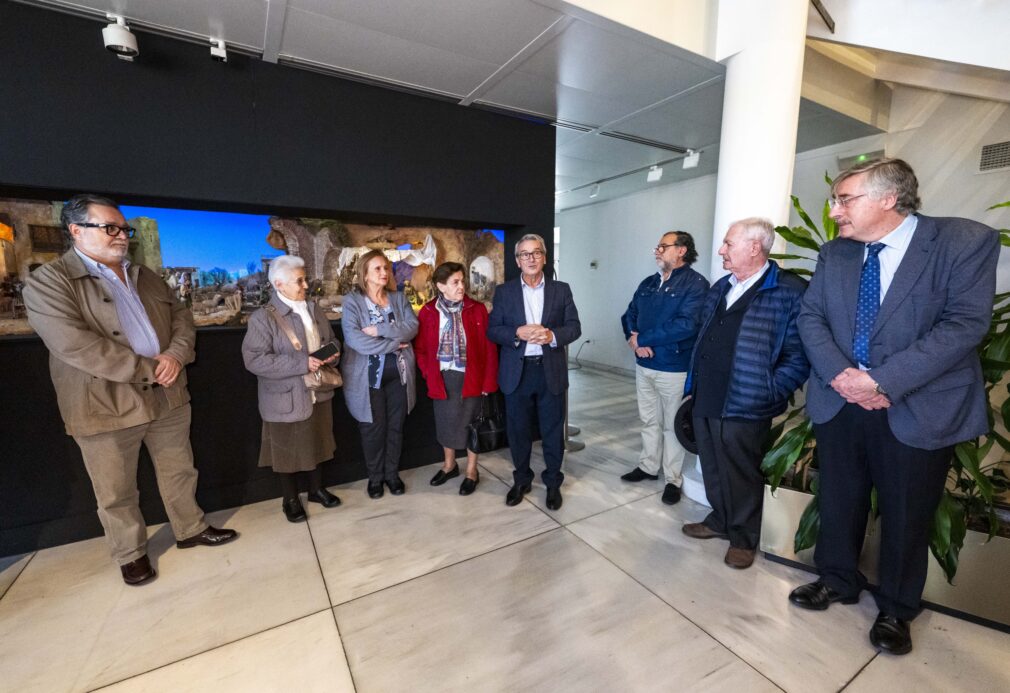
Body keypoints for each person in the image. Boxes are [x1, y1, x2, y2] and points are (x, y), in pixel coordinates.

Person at [789, 158, 999, 655]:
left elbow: (963, 325)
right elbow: (811, 316)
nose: (834, 210)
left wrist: (881, 380)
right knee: (839, 496)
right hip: (841, 400)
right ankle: (837, 578)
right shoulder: (836, 254)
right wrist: (845, 377)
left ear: (888, 198)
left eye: (845, 199)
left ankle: (896, 607)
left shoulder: (963, 242)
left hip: (917, 403)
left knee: (908, 510)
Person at [22, 194, 237, 586]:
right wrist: (151, 369)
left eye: (124, 228)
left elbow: (182, 318)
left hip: (168, 394)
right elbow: (76, 345)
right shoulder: (48, 282)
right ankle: (131, 554)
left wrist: (174, 354)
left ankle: (190, 529)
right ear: (76, 230)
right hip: (104, 403)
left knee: (179, 470)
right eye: (110, 227)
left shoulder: (146, 275)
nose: (122, 235)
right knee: (115, 488)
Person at [682, 218, 808, 569]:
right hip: (707, 393)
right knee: (711, 463)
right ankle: (720, 519)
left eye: (728, 244)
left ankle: (743, 537)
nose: (721, 250)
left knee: (741, 469)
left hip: (748, 398)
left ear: (755, 247)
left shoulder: (789, 290)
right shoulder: (722, 286)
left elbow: (799, 354)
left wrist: (772, 388)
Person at [242, 254, 342, 522]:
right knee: (286, 450)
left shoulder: (313, 309)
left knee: (319, 442)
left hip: (317, 391)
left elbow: (332, 340)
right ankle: (289, 499)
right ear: (279, 283)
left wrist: (333, 354)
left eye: (305, 279)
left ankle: (316, 490)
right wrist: (302, 363)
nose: (306, 285)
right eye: (300, 280)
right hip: (285, 397)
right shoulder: (263, 319)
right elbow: (254, 360)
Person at [487, 233, 581, 510]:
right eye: (525, 254)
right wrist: (517, 332)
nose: (531, 258)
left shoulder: (561, 289)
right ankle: (522, 480)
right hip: (517, 373)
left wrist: (552, 335)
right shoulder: (504, 292)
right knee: (518, 432)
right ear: (518, 260)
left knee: (553, 432)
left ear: (544, 257)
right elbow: (493, 330)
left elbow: (574, 327)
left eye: (536, 253)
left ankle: (553, 483)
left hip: (549, 371)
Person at [620, 231, 709, 504]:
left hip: (673, 368)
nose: (657, 251)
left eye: (663, 246)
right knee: (649, 420)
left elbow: (686, 325)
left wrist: (644, 339)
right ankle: (648, 466)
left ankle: (673, 478)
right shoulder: (649, 283)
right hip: (643, 364)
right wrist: (633, 341)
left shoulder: (696, 285)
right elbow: (629, 314)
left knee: (672, 426)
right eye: (657, 246)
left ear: (681, 250)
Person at [414, 262, 499, 495]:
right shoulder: (429, 312)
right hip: (442, 379)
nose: (462, 286)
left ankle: (472, 470)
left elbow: (489, 349)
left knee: (473, 425)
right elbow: (420, 349)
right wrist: (428, 372)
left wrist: (488, 383)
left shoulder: (477, 309)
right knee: (445, 424)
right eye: (455, 282)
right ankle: (449, 465)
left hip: (471, 377)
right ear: (441, 286)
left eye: (463, 281)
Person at [340, 250, 419, 498]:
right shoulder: (352, 302)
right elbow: (356, 341)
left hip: (400, 376)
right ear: (364, 273)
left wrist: (378, 329)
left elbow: (412, 328)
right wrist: (394, 343)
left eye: (386, 268)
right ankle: (375, 478)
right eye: (377, 268)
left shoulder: (398, 298)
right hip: (367, 380)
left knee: (396, 427)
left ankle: (391, 475)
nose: (384, 273)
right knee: (373, 430)